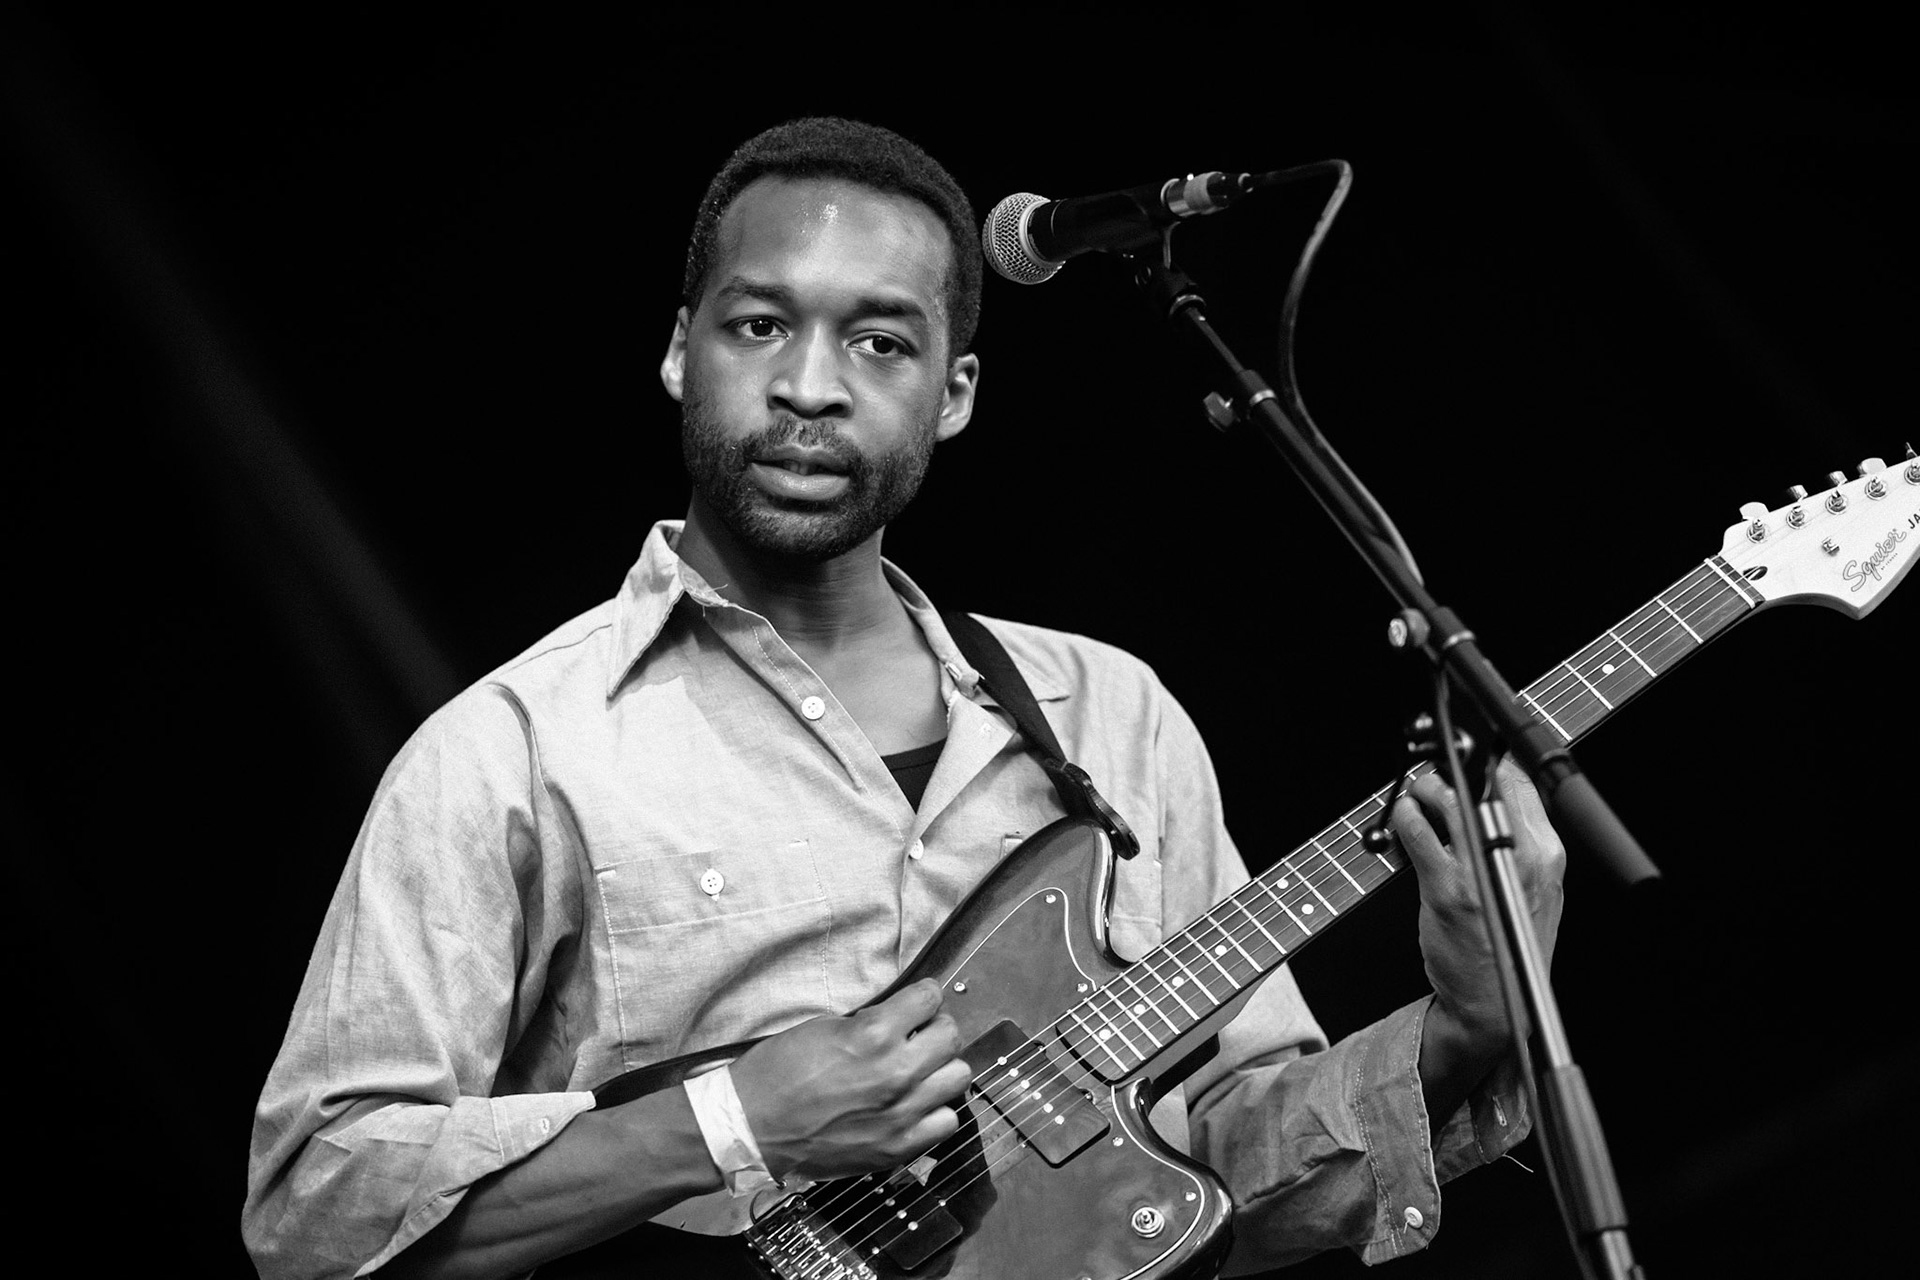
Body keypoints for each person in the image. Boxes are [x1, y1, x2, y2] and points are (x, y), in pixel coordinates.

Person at [243, 116, 1565, 1280]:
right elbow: (314, 1209)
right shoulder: (510, 753)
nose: (811, 386)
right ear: (677, 353)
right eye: (760, 324)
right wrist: (734, 1124)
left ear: (955, 396)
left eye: (881, 341)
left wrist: (1467, 1038)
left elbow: (1218, 1180)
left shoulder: (1110, 714)